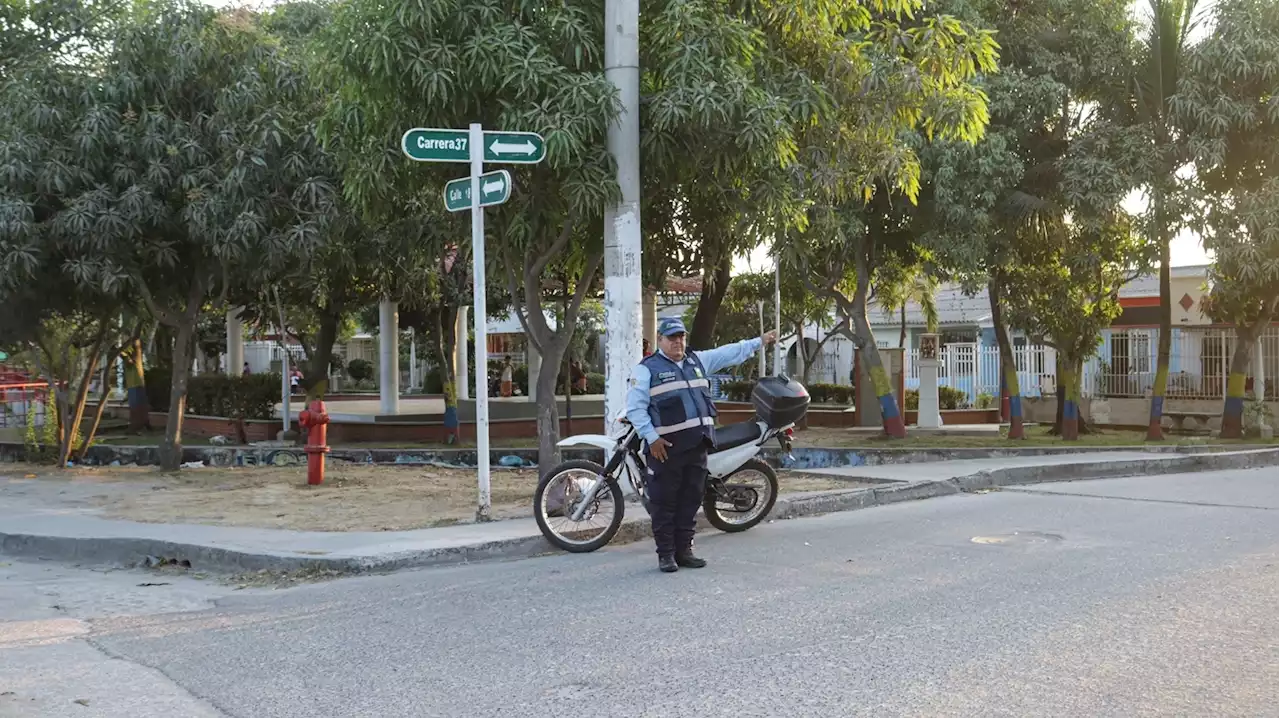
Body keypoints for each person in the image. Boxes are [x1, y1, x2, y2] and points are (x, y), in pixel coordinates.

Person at [625, 317, 776, 573]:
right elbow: (635, 408)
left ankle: (685, 551)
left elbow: (729, 352)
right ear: (660, 340)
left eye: (681, 337)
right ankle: (666, 555)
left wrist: (759, 342)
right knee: (664, 502)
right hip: (666, 448)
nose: (677, 342)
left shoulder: (697, 361)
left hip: (697, 445)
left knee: (690, 500)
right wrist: (651, 438)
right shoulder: (646, 369)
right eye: (671, 338)